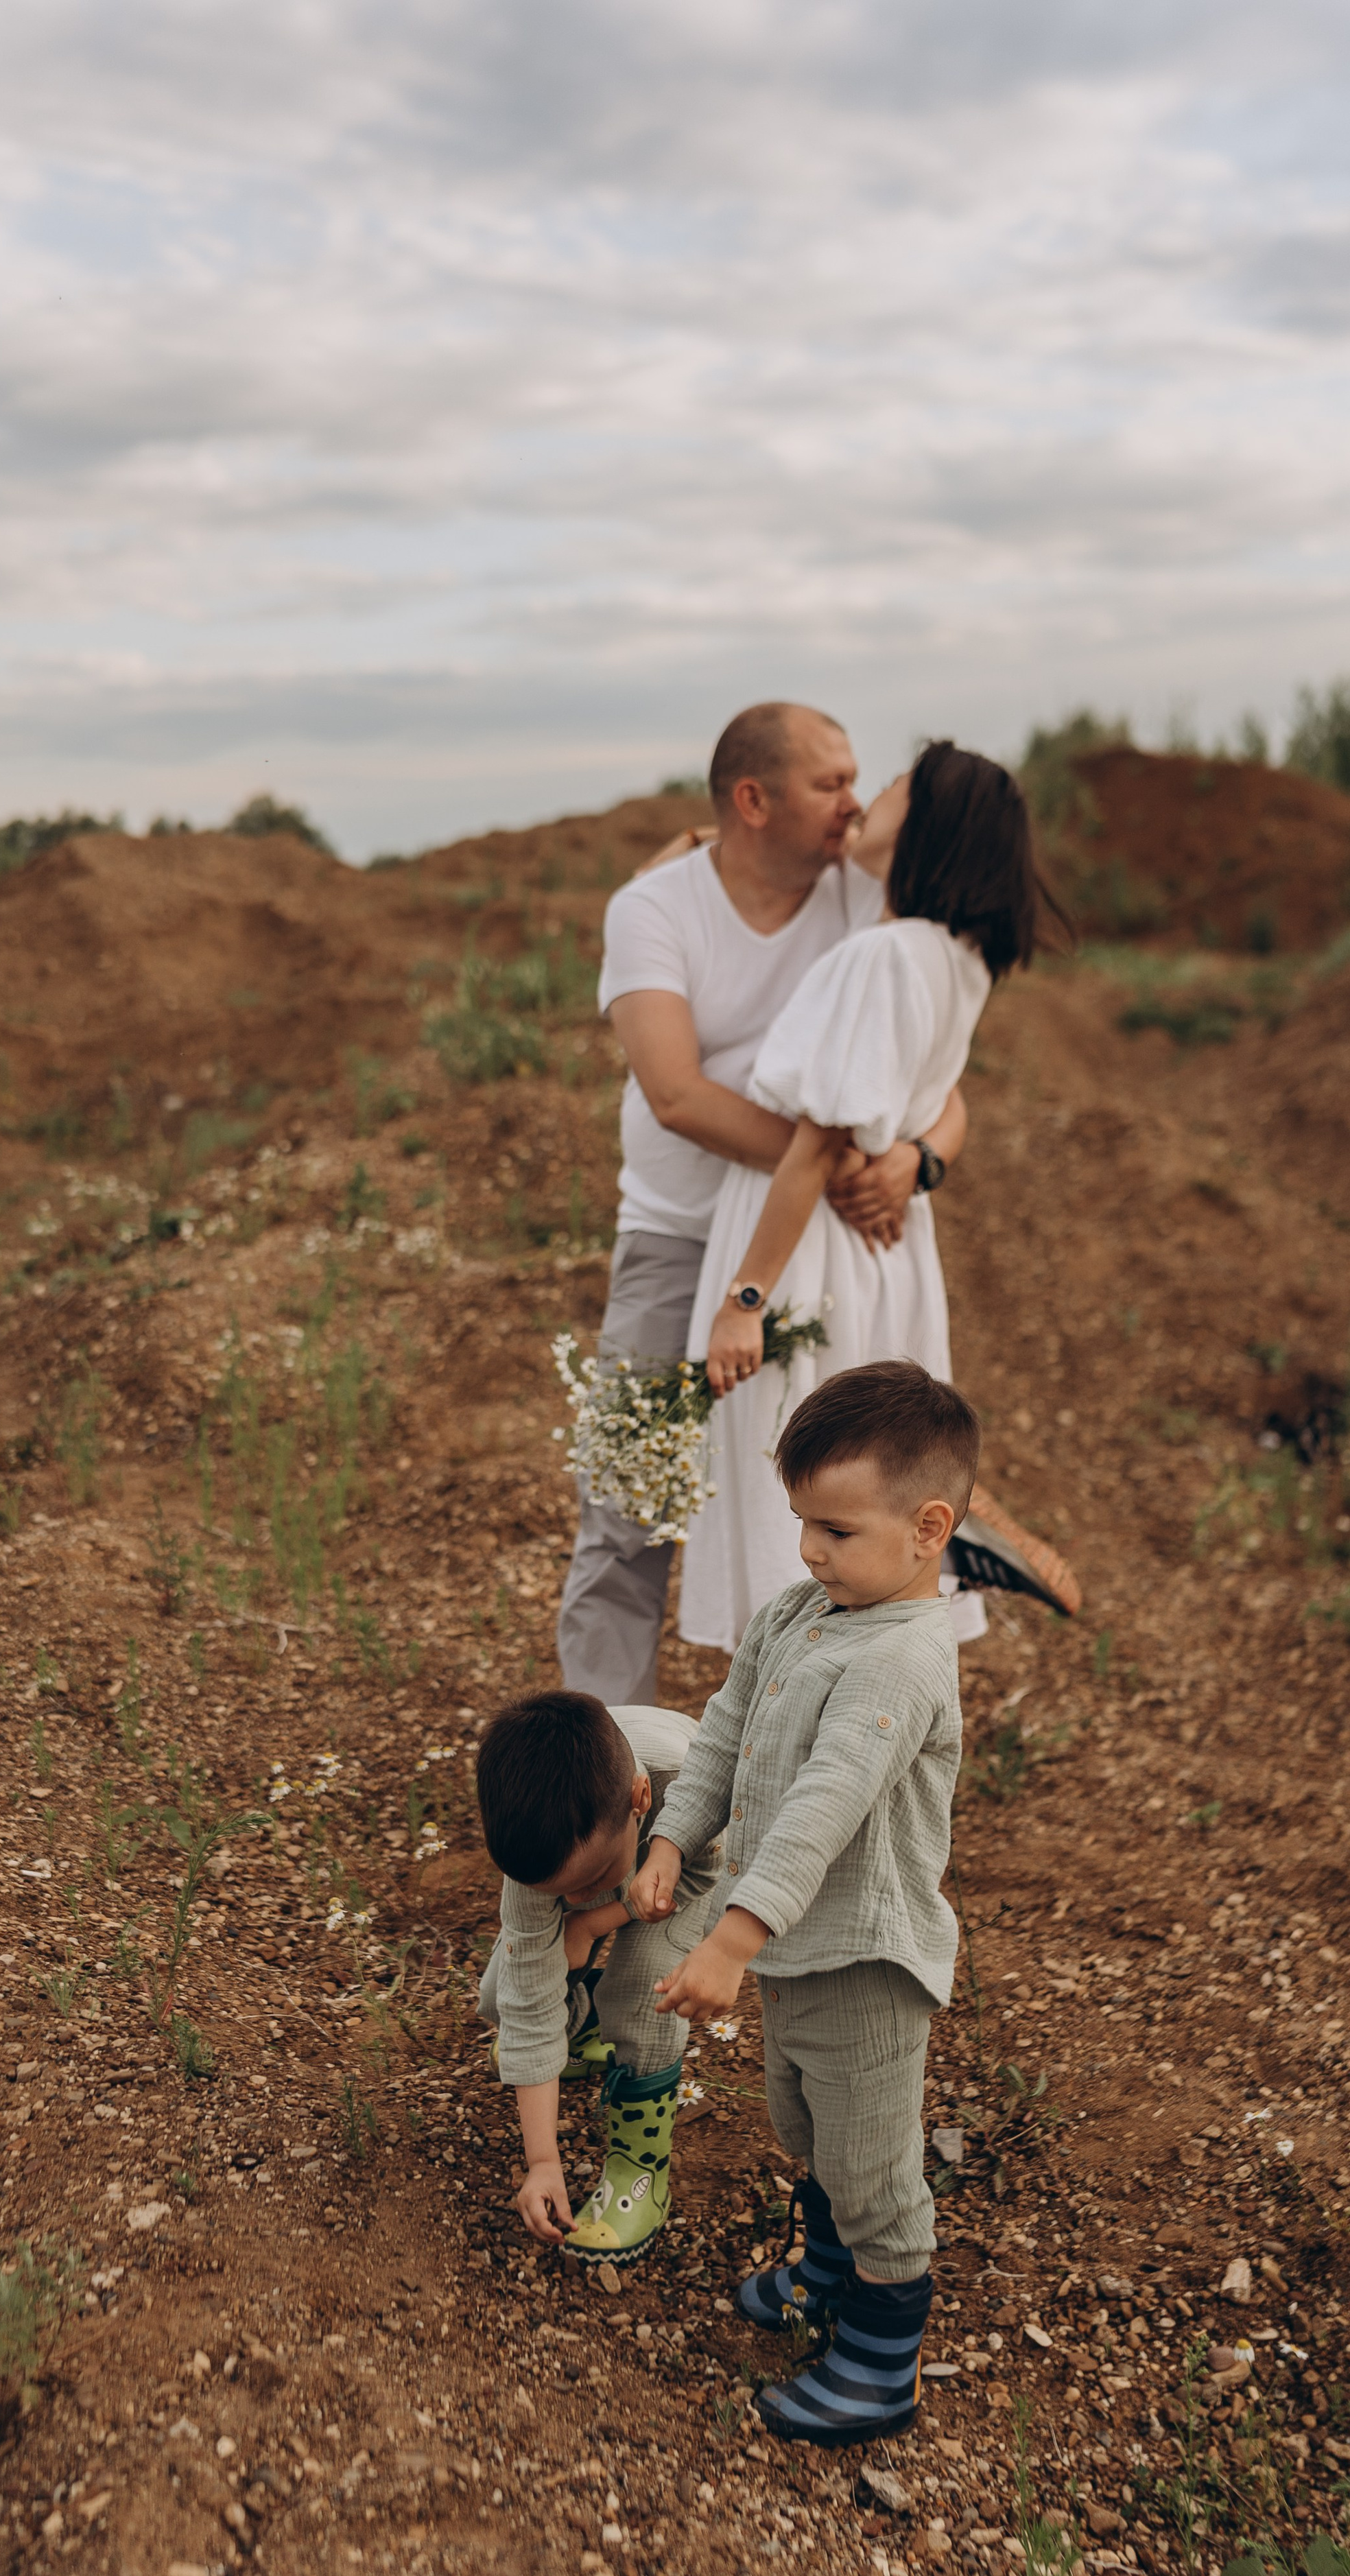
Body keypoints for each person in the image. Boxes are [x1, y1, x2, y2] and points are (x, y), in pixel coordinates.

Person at [558, 702, 968, 1707]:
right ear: (753, 800)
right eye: (830, 783)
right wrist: (829, 1157)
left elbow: (940, 1074)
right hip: (681, 1230)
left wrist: (918, 1158)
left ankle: (837, 1731)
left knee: (848, 1495)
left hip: (813, 1251)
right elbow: (677, 1094)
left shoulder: (859, 897)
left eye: (859, 781)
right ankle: (610, 1764)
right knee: (630, 1497)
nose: (855, 803)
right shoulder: (654, 910)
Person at [630, 1360, 978, 2446]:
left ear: (928, 1528)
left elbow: (827, 1805)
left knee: (871, 2167)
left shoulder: (905, 1661)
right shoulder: (801, 1612)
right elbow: (726, 1729)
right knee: (805, 2125)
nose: (810, 1552)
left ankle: (880, 2366)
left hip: (864, 1961)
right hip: (795, 1946)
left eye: (837, 1531)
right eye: (801, 1525)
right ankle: (825, 2275)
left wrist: (731, 1936)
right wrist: (675, 1833)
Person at [677, 740, 1062, 1655]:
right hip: (886, 1250)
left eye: (888, 787)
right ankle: (939, 1545)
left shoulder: (885, 955)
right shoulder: (956, 955)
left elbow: (818, 1143)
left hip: (810, 1248)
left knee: (804, 1478)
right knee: (867, 1472)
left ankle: (800, 1715)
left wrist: (746, 1299)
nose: (862, 802)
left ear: (927, 820)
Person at [475, 1692, 721, 2258]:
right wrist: (543, 2163)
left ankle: (640, 2168)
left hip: (690, 1871)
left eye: (590, 1880)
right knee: (505, 1997)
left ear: (639, 1801)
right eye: (558, 1894)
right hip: (618, 1839)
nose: (575, 1897)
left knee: (643, 1995)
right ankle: (582, 2032)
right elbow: (528, 1994)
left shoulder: (692, 1790)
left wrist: (595, 1920)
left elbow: (706, 1872)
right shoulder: (547, 1839)